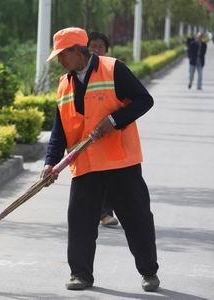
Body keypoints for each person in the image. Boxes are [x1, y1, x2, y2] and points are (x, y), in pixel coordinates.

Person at [42, 27, 160, 291]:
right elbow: (59, 129)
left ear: (78, 50)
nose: (60, 61)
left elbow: (144, 100)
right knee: (80, 221)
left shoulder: (113, 69)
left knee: (136, 218)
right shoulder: (64, 84)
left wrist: (114, 120)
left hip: (121, 162)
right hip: (85, 164)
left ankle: (149, 271)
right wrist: (50, 162)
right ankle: (80, 275)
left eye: (63, 55)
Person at [87, 31, 119, 227]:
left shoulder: (114, 70)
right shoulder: (78, 72)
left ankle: (106, 213)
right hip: (86, 137)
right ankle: (94, 212)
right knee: (90, 179)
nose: (96, 50)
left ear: (106, 50)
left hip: (109, 134)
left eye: (100, 46)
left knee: (108, 177)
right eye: (92, 46)